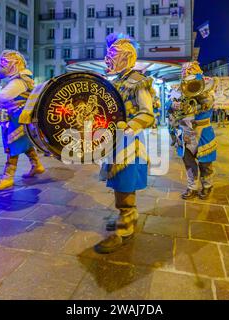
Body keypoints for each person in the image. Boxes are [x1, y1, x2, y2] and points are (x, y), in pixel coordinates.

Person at [94, 34, 155, 254]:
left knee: (124, 183)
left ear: (126, 57)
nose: (108, 58)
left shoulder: (138, 81)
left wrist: (128, 127)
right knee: (119, 183)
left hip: (129, 143)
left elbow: (147, 114)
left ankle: (125, 227)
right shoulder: (117, 81)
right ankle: (128, 215)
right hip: (114, 142)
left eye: (113, 55)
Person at [0, 50, 45, 191]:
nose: (3, 66)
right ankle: (37, 165)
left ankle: (7, 178)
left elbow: (4, 96)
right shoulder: (20, 79)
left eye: (5, 63)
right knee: (24, 143)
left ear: (15, 64)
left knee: (12, 145)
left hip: (19, 117)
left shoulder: (20, 80)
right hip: (18, 116)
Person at [178, 62, 218, 200]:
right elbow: (170, 106)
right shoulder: (179, 88)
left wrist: (198, 94)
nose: (186, 72)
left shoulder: (207, 87)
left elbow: (209, 104)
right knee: (189, 163)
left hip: (203, 132)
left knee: (205, 163)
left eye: (189, 70)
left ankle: (207, 186)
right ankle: (192, 187)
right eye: (184, 71)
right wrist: (174, 104)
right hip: (185, 132)